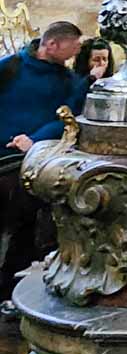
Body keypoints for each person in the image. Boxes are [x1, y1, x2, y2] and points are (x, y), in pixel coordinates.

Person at [0, 20, 83, 311]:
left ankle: (7, 291)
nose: (74, 55)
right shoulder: (10, 68)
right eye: (71, 49)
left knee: (24, 229)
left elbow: (70, 115)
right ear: (51, 45)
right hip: (2, 156)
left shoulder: (67, 80)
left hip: (34, 161)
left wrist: (34, 140)